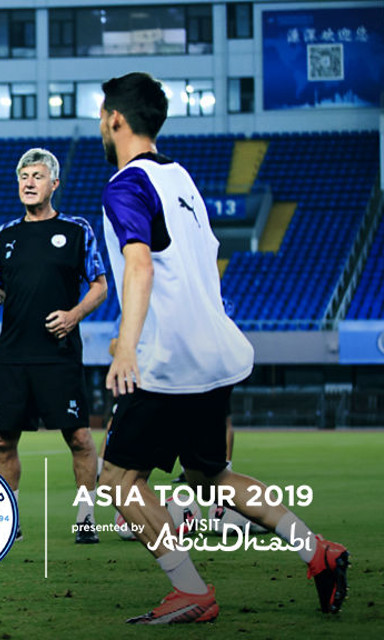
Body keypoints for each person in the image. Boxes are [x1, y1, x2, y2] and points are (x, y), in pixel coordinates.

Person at [97, 71, 348, 624]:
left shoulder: (125, 185)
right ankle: (318, 552)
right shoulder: (181, 179)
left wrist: (127, 347)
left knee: (119, 480)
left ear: (114, 118)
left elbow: (140, 265)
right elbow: (200, 263)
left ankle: (190, 589)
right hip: (211, 353)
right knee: (209, 478)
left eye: (101, 115)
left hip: (169, 362)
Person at [0, 148, 108, 543]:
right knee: (3, 439)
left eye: (37, 176)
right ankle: (10, 520)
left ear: (54, 184)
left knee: (79, 438)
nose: (29, 183)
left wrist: (73, 315)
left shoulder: (77, 230)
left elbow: (100, 285)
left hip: (58, 353)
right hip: (13, 353)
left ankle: (86, 516)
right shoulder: (5, 234)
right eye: (23, 177)